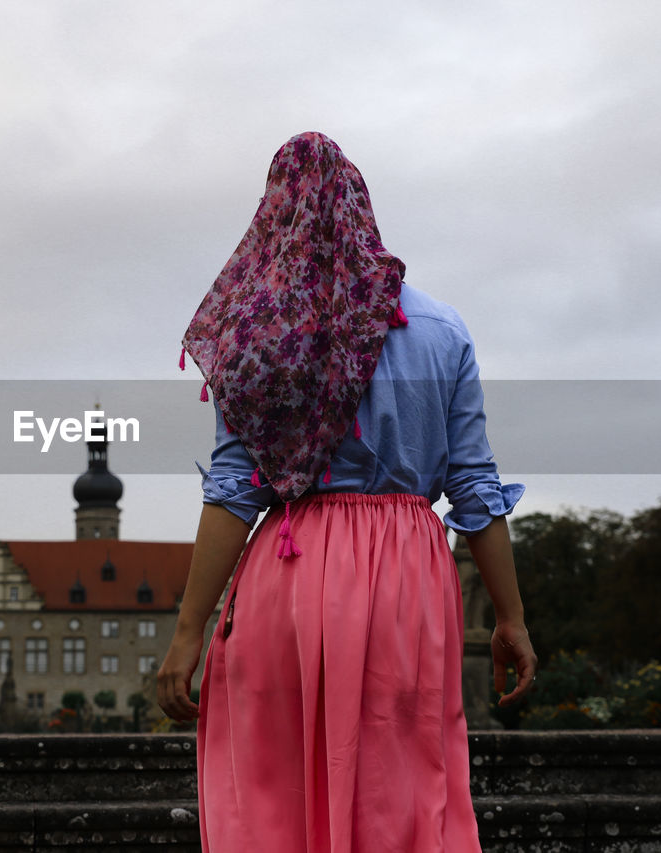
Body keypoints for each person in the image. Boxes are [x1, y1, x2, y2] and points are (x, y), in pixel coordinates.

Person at [157, 132, 538, 852]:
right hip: (409, 579)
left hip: (290, 575)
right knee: (407, 784)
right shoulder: (440, 328)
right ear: (362, 209)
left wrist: (187, 631)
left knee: (275, 794)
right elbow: (474, 484)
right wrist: (511, 614)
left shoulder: (259, 332)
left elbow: (237, 488)